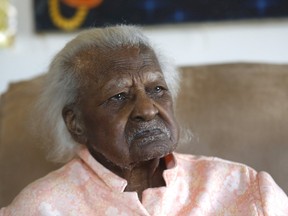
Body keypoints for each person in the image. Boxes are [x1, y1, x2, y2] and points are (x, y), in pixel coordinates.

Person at [1, 25, 287, 216]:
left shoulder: (246, 188)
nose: (148, 110)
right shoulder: (41, 208)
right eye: (118, 96)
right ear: (76, 123)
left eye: (157, 90)